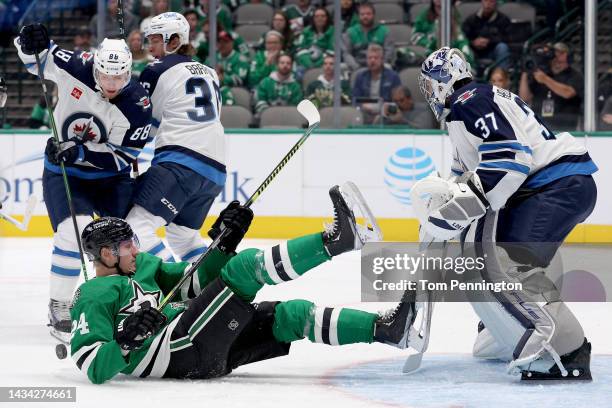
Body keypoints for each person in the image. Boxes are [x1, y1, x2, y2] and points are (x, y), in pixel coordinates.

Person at [70, 183, 414, 384]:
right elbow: (93, 366)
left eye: (133, 242)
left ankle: (387, 330)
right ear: (105, 254)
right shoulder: (93, 294)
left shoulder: (143, 265)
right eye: (126, 246)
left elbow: (194, 284)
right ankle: (337, 241)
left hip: (199, 340)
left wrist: (224, 243)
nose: (136, 249)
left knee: (292, 315)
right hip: (177, 351)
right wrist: (127, 340)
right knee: (245, 269)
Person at [418, 47, 597, 380]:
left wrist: (455, 211)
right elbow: (467, 177)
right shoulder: (472, 103)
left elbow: (512, 160)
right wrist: (447, 205)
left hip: (553, 186)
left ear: (444, 81)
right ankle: (504, 327)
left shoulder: (467, 101)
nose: (430, 94)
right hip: (555, 186)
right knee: (494, 256)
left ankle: (567, 351)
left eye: (431, 85)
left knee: (503, 260)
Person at [15, 24, 152, 344]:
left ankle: (129, 303)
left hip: (110, 180)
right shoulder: (75, 65)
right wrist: (27, 40)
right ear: (96, 68)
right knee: (71, 231)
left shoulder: (138, 104)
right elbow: (35, 57)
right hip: (66, 176)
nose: (112, 84)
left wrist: (78, 151)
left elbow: (121, 157)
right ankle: (60, 305)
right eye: (106, 77)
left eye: (119, 78)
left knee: (125, 243)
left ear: (129, 72)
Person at [127, 12, 225, 267]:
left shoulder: (155, 71)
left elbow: (145, 124)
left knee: (136, 226)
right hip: (214, 172)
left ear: (174, 41)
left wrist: (126, 151)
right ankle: (206, 289)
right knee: (183, 236)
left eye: (156, 40)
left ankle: (174, 285)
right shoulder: (210, 72)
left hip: (180, 165)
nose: (150, 46)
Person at [519, 42, 583, 131]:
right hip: (539, 129)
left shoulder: (575, 75)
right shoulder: (541, 73)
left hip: (564, 130)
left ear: (568, 56)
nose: (556, 56)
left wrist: (545, 79)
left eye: (561, 53)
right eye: (554, 52)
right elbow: (524, 97)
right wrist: (525, 71)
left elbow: (568, 93)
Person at [411, 0, 473, 66]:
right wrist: (430, 43)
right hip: (430, 51)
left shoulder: (455, 14)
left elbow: (459, 37)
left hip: (451, 52)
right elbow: (415, 36)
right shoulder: (424, 15)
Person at [352, 43, 401, 124]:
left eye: (376, 58)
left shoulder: (393, 77)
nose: (372, 60)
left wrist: (384, 109)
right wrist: (362, 106)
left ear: (382, 60)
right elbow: (354, 99)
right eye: (370, 58)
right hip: (365, 112)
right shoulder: (360, 77)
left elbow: (397, 101)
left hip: (386, 113)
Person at [343, 2, 394, 71]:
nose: (365, 16)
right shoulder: (350, 32)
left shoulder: (384, 31)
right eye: (362, 14)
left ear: (373, 15)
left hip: (379, 65)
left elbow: (389, 52)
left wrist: (379, 65)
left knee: (388, 67)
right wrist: (356, 67)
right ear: (358, 16)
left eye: (368, 14)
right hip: (357, 65)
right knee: (341, 67)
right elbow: (346, 53)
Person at [461, 0, 511, 70]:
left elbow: (507, 38)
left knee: (503, 47)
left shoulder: (503, 20)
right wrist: (473, 42)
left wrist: (489, 41)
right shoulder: (471, 19)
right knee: (464, 47)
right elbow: (463, 36)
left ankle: (501, 76)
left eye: (491, 1)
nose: (488, 4)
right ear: (482, 2)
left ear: (496, 3)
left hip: (493, 51)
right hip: (474, 51)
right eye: (486, 1)